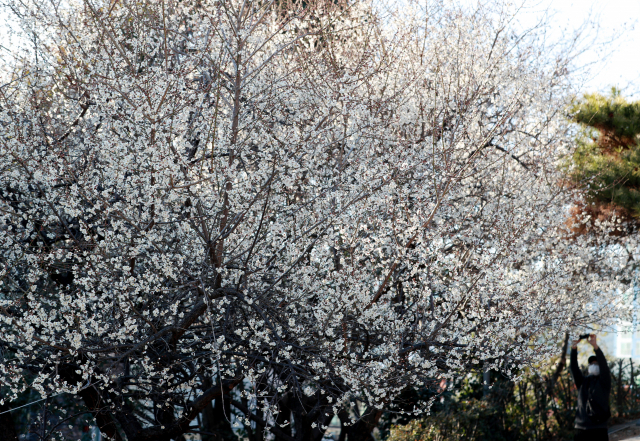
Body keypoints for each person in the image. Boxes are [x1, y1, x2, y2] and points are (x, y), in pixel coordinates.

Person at [570, 334, 611, 441]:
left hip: (599, 428)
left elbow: (604, 366)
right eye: (591, 364)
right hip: (581, 428)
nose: (594, 365)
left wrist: (595, 347)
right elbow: (574, 368)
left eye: (596, 364)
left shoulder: (604, 382)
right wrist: (574, 348)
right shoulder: (582, 382)